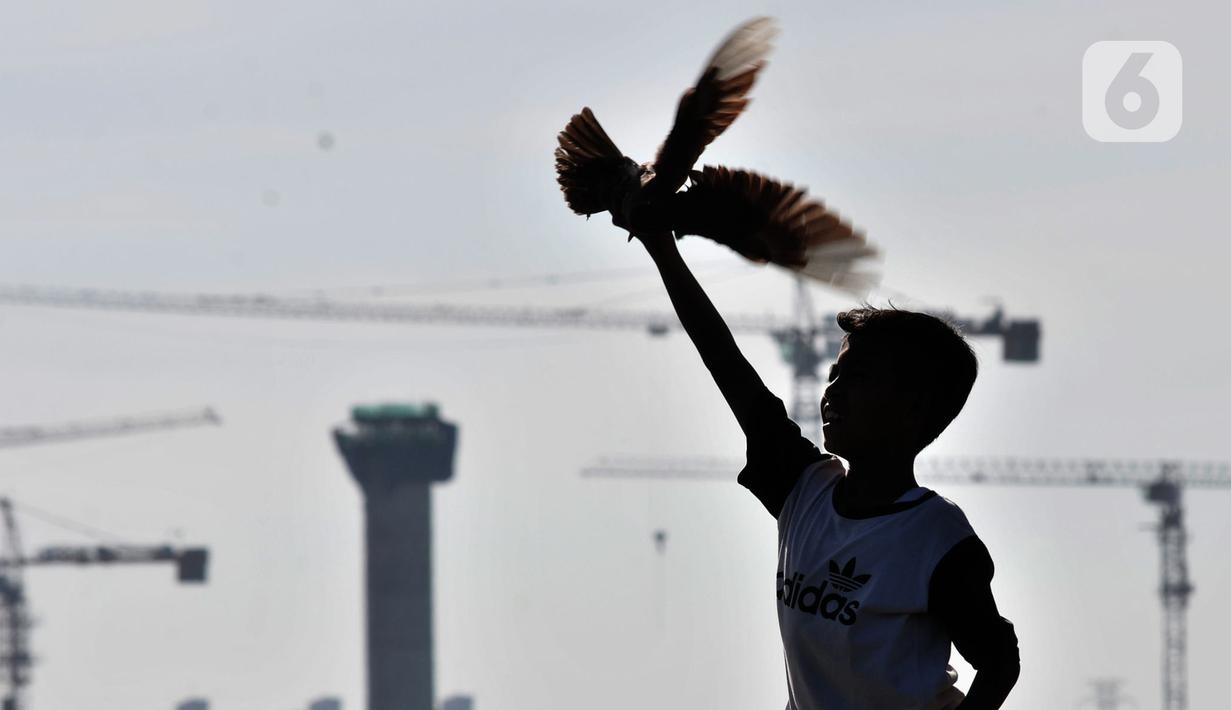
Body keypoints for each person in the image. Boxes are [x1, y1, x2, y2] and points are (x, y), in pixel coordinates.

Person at [631, 229, 1020, 709]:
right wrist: (660, 246)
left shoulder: (938, 539)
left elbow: (1000, 660)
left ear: (912, 410)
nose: (833, 390)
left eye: (858, 378)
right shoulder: (804, 489)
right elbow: (725, 360)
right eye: (835, 373)